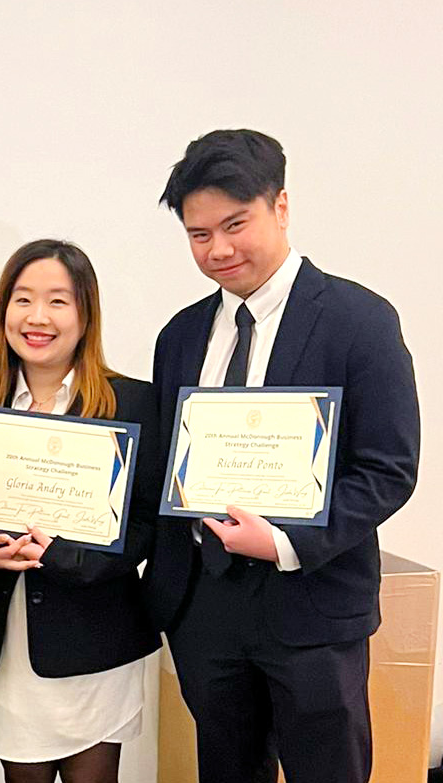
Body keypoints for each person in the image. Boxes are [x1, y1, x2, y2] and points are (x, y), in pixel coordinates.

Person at [145, 129, 420, 783]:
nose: (219, 249)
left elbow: (388, 467)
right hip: (205, 613)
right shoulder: (180, 335)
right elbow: (166, 468)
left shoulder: (360, 320)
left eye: (235, 224)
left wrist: (284, 541)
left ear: (282, 207)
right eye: (198, 233)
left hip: (314, 609)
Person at [0, 240, 161, 783]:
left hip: (94, 640)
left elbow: (147, 529)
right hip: (7, 643)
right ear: (3, 312)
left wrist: (65, 558)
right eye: (23, 300)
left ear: (85, 314)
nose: (38, 317)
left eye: (58, 302)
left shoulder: (131, 403)